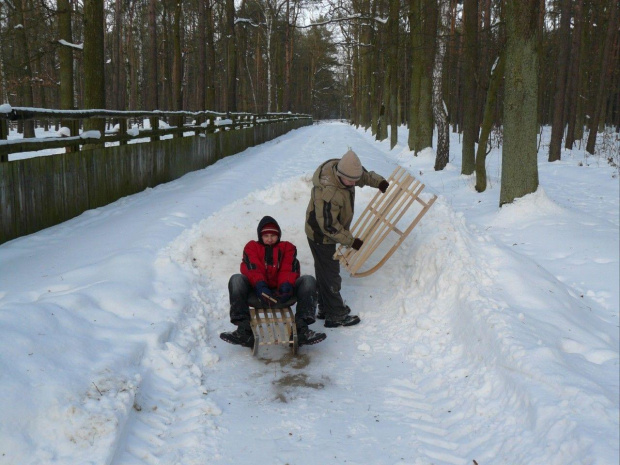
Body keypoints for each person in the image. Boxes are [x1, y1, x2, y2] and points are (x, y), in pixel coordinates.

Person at [305, 149, 388, 327]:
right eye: (350, 181)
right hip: (321, 234)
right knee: (331, 275)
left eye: (354, 180)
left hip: (326, 230)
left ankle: (325, 307)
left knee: (324, 272)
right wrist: (350, 240)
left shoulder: (346, 170)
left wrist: (379, 181)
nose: (353, 183)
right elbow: (328, 225)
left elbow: (363, 176)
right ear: (339, 174)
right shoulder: (328, 193)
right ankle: (335, 314)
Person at [220, 215, 326, 348]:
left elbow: (288, 269)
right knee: (236, 279)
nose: (270, 239)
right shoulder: (252, 247)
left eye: (273, 235)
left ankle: (301, 329)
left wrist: (286, 286)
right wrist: (260, 286)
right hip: (258, 293)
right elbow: (252, 268)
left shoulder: (287, 247)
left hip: (281, 295)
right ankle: (244, 330)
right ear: (260, 236)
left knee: (308, 281)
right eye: (266, 236)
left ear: (279, 235)